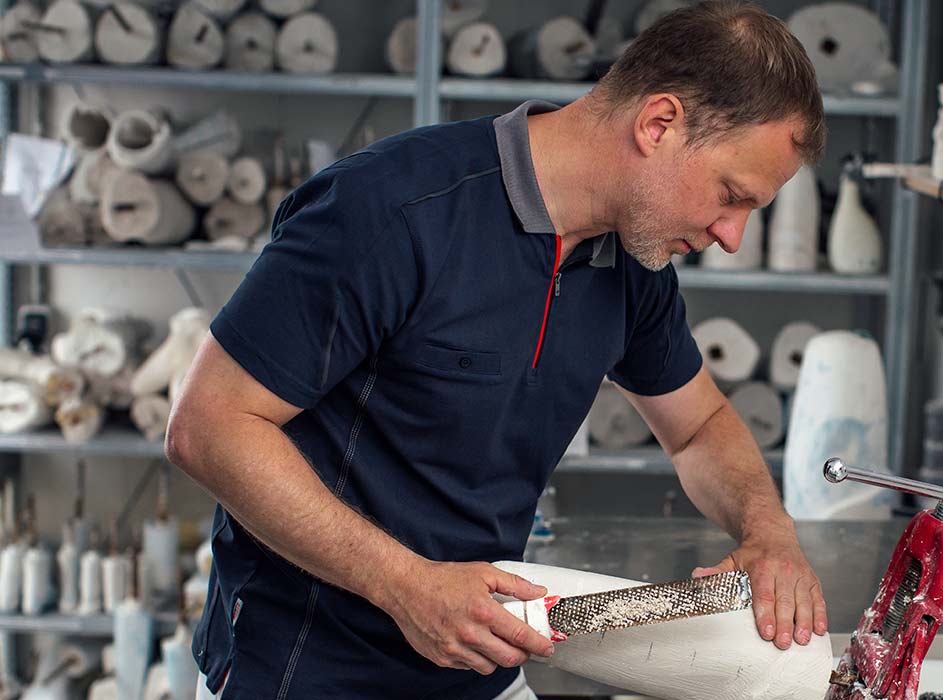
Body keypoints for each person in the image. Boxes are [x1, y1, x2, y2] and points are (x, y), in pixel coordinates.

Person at [165, 1, 831, 697]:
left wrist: (769, 531)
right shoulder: (391, 210)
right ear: (658, 125)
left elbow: (698, 427)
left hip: (476, 663)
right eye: (731, 195)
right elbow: (208, 427)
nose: (733, 236)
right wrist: (407, 586)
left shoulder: (633, 266)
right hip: (313, 669)